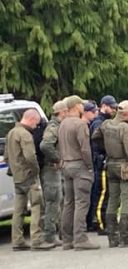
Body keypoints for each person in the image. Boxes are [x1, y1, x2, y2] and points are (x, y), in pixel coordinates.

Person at [6, 109, 55, 251]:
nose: (36, 126)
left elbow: (7, 156)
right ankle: (37, 240)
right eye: (36, 123)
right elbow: (30, 156)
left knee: (18, 209)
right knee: (37, 206)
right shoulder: (25, 134)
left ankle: (17, 240)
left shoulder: (11, 133)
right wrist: (36, 171)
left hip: (17, 177)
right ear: (32, 119)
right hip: (28, 176)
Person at [92, 100, 128, 247]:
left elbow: (95, 137)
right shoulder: (125, 128)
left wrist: (106, 149)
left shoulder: (106, 124)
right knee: (126, 200)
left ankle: (112, 236)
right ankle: (126, 237)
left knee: (112, 200)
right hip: (124, 165)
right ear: (127, 113)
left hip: (110, 164)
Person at [58, 96, 100, 250]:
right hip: (79, 166)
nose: (83, 106)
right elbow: (85, 148)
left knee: (69, 203)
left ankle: (67, 240)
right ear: (76, 106)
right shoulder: (80, 124)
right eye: (81, 104)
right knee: (82, 203)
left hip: (66, 165)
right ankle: (80, 238)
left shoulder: (62, 123)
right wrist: (89, 166)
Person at [39, 100, 67, 246]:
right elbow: (45, 145)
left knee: (60, 200)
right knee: (53, 201)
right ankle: (49, 235)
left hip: (56, 169)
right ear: (62, 112)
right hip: (51, 169)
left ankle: (63, 233)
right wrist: (56, 158)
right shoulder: (53, 127)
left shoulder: (59, 126)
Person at [87, 96, 115, 234]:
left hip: (103, 161)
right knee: (102, 194)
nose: (114, 109)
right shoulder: (98, 123)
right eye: (111, 107)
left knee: (105, 194)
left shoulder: (105, 121)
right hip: (100, 162)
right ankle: (101, 223)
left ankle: (103, 221)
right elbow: (97, 142)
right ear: (104, 106)